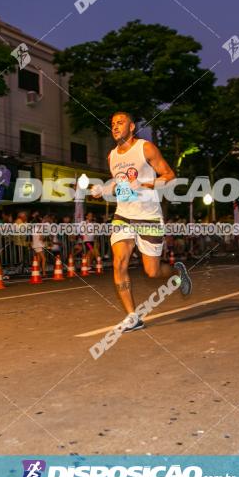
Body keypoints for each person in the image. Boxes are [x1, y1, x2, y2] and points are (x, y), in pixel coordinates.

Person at [91, 111, 192, 331]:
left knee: (152, 272)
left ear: (132, 127)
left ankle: (177, 271)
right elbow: (120, 184)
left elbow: (169, 175)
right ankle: (132, 316)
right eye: (113, 123)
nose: (115, 126)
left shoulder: (145, 148)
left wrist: (146, 185)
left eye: (120, 123)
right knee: (119, 263)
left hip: (148, 216)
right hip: (123, 215)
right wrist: (103, 189)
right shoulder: (112, 156)